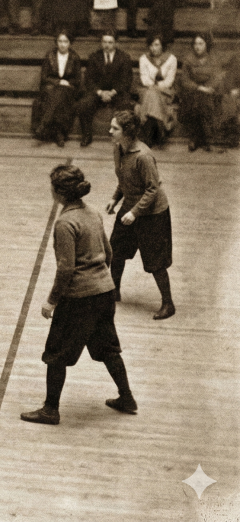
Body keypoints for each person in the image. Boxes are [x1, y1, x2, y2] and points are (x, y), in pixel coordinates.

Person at [20, 164, 136, 425]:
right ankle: (127, 397)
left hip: (79, 300)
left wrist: (51, 300)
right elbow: (108, 253)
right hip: (105, 293)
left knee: (56, 353)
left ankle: (50, 409)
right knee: (108, 348)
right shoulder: (93, 212)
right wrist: (99, 279)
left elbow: (66, 268)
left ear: (58, 192)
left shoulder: (65, 223)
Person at [104, 110, 175, 320]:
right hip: (130, 207)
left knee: (155, 262)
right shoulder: (119, 148)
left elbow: (152, 189)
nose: (110, 131)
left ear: (127, 132)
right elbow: (125, 178)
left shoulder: (143, 156)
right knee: (116, 251)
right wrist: (114, 199)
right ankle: (114, 291)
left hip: (153, 213)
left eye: (114, 128)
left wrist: (134, 213)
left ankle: (168, 304)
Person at [76, 30, 133, 147]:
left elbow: (126, 80)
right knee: (84, 104)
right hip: (98, 92)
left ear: (116, 43)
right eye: (104, 42)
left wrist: (112, 92)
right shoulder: (94, 57)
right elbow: (89, 79)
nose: (107, 45)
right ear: (101, 43)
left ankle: (123, 138)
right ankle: (87, 135)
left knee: (126, 105)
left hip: (117, 92)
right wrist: (100, 92)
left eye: (110, 42)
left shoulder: (124, 57)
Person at [178, 32, 227, 152]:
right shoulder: (188, 60)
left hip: (210, 93)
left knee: (205, 100)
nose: (197, 46)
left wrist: (208, 88)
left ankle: (197, 139)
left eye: (201, 43)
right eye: (195, 43)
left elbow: (218, 77)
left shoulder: (214, 59)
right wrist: (199, 88)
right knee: (198, 99)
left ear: (207, 45)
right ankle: (206, 139)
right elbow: (184, 80)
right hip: (192, 93)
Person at [32, 30, 82, 146]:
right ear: (56, 42)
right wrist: (59, 82)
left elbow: (78, 80)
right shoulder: (50, 55)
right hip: (51, 88)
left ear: (70, 43)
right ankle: (59, 135)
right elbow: (44, 77)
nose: (62, 44)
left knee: (61, 94)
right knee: (58, 97)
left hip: (69, 89)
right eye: (60, 41)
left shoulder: (74, 57)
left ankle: (44, 124)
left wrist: (66, 83)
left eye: (65, 41)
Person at [135, 32, 177, 148]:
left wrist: (156, 87)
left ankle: (147, 135)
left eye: (157, 45)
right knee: (151, 94)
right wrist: (153, 87)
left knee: (152, 95)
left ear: (162, 46)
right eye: (152, 45)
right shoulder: (144, 59)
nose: (154, 48)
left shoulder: (171, 59)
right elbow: (144, 80)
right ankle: (160, 130)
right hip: (146, 89)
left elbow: (169, 81)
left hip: (165, 92)